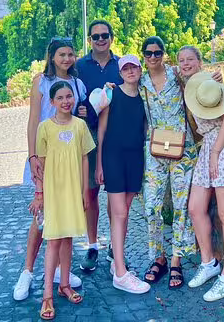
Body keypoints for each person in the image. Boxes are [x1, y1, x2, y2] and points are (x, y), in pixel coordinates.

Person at [13, 39, 88, 301]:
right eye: (61, 54)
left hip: (66, 160)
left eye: (70, 54)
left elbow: (78, 117)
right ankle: (28, 270)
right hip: (44, 155)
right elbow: (34, 120)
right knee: (42, 219)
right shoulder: (40, 82)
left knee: (63, 217)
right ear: (52, 57)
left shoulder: (78, 84)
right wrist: (32, 155)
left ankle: (58, 271)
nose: (67, 59)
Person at [178, 46, 224, 302]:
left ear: (200, 61)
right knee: (196, 208)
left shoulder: (210, 84)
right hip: (208, 147)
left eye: (190, 60)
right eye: (181, 60)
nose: (185, 64)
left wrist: (216, 153)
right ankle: (209, 263)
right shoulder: (187, 84)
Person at [29, 81, 96, 320]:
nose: (66, 101)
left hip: (73, 190)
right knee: (54, 241)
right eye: (61, 98)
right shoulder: (45, 128)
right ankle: (47, 294)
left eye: (69, 96)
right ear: (52, 102)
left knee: (68, 238)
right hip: (54, 191)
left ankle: (64, 284)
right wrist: (40, 194)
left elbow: (85, 160)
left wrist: (84, 192)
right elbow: (40, 165)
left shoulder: (80, 126)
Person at [138, 36, 198, 289]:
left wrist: (217, 79)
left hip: (183, 148)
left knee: (180, 207)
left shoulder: (177, 75)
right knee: (151, 206)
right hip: (155, 151)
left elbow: (200, 81)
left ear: (164, 54)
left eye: (157, 52)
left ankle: (176, 261)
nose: (153, 57)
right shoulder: (139, 81)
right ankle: (158, 257)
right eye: (148, 53)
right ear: (143, 55)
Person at [95, 55, 150, 294]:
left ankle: (118, 260)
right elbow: (102, 130)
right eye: (125, 68)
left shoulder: (146, 97)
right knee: (119, 213)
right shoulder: (111, 95)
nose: (130, 72)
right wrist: (99, 164)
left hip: (135, 158)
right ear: (120, 73)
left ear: (140, 70)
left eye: (133, 67)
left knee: (124, 214)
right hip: (113, 157)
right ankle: (120, 273)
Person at [75, 20, 124, 272]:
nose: (101, 40)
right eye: (96, 37)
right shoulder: (80, 66)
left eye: (105, 35)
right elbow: (68, 95)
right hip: (89, 134)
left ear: (112, 38)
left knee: (114, 192)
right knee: (91, 192)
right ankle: (92, 245)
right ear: (90, 40)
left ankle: (115, 246)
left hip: (117, 134)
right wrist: (78, 109)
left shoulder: (121, 65)